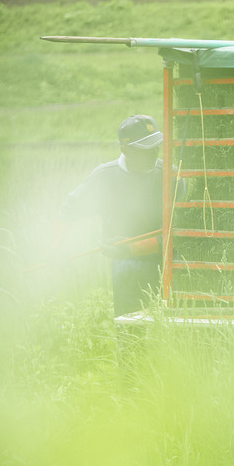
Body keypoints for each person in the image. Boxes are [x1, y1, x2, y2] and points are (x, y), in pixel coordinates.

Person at [54, 115, 165, 316]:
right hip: (125, 271)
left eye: (156, 145)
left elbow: (179, 234)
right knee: (129, 332)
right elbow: (67, 213)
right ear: (125, 149)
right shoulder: (105, 177)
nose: (154, 153)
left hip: (166, 267)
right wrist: (57, 249)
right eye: (145, 149)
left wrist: (131, 248)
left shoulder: (169, 175)